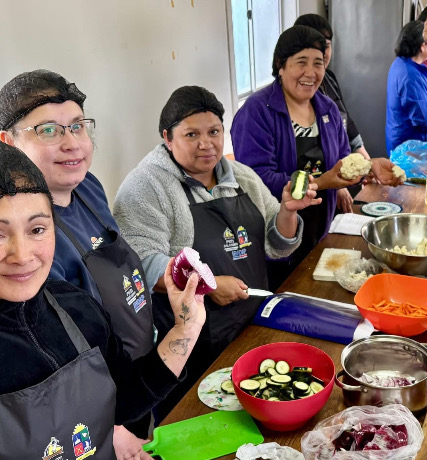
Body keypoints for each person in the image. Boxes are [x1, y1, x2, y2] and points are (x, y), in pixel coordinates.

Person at [0, 132, 206, 459]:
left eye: (37, 229)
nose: (22, 254)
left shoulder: (75, 306)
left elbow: (124, 401)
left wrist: (186, 328)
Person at [114, 85, 320, 421]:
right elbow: (141, 266)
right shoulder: (146, 187)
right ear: (167, 137)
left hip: (252, 327)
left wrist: (288, 211)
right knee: (197, 424)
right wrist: (208, 285)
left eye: (213, 132)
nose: (206, 143)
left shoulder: (242, 177)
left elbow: (277, 244)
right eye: (191, 134)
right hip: (191, 342)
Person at [0, 70, 158, 457]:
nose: (72, 144)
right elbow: (46, 355)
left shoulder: (88, 187)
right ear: (8, 142)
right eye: (48, 130)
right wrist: (109, 427)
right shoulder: (22, 238)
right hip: (92, 415)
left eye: (77, 126)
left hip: (134, 380)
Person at [232, 25, 402, 286]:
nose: (310, 73)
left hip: (318, 232)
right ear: (280, 64)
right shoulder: (257, 111)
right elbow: (255, 181)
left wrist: (369, 167)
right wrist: (322, 183)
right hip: (273, 242)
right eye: (301, 62)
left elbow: (343, 160)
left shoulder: (328, 109)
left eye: (318, 63)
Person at [293, 14, 371, 160]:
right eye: (313, 47)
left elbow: (346, 120)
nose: (321, 54)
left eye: (326, 46)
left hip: (342, 168)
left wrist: (366, 160)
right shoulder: (295, 90)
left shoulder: (330, 79)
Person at [386, 20, 427, 152]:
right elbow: (421, 116)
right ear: (422, 46)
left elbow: (422, 100)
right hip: (409, 146)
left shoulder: (403, 64)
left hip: (405, 139)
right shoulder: (410, 75)